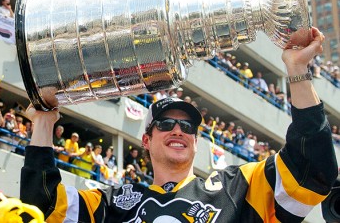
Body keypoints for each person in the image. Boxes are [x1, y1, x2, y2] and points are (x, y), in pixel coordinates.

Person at [20, 27, 336, 222]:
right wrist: (44, 123)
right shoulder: (113, 204)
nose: (177, 130)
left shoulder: (236, 188)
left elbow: (312, 170)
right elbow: (41, 208)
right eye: (166, 123)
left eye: (187, 127)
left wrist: (297, 70)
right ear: (146, 140)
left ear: (197, 143)